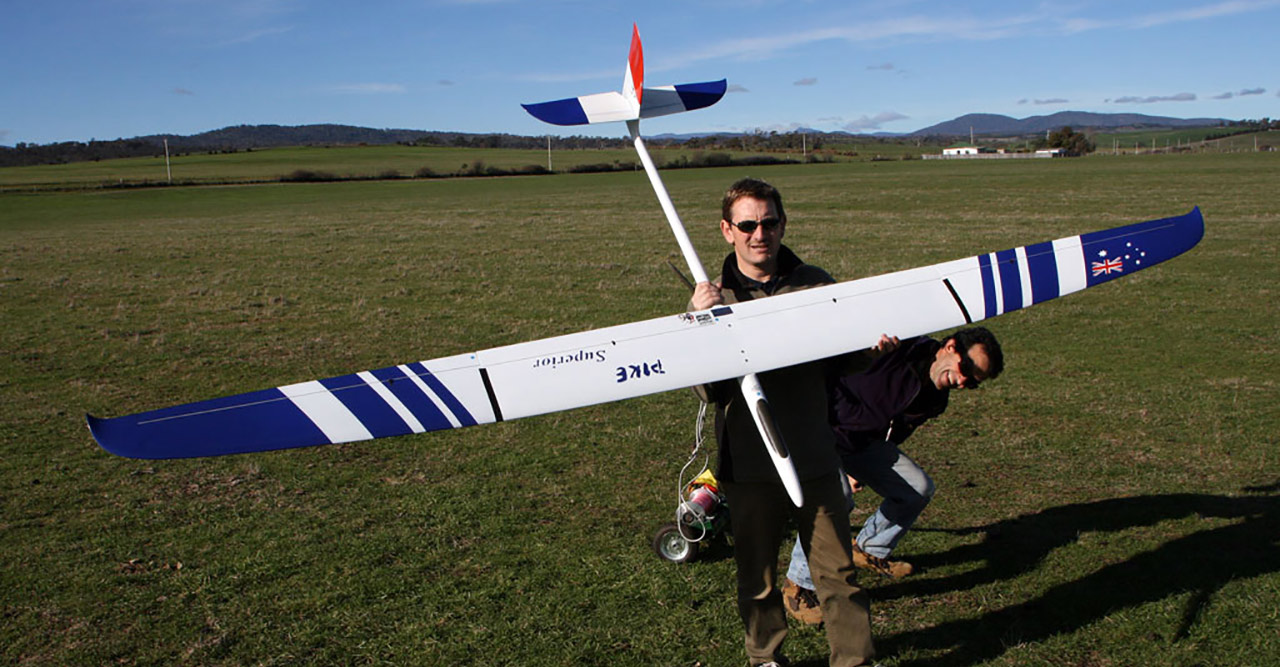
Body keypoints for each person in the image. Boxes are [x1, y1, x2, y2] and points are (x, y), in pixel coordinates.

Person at [690, 177, 877, 667]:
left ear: (782, 224)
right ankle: (765, 658)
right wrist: (699, 327)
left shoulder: (815, 283)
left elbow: (849, 361)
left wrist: (874, 345)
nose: (760, 234)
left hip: (814, 454)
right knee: (757, 577)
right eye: (748, 224)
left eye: (769, 222)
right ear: (727, 230)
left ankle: (853, 661)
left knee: (837, 574)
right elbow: (708, 392)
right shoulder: (711, 297)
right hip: (749, 467)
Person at [782, 327, 1005, 626]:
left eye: (973, 383)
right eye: (966, 369)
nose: (963, 382)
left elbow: (893, 432)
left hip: (860, 444)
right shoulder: (901, 348)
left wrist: (861, 466)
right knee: (836, 498)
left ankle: (869, 547)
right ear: (950, 347)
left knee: (918, 488)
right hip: (817, 429)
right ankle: (798, 585)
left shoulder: (935, 400)